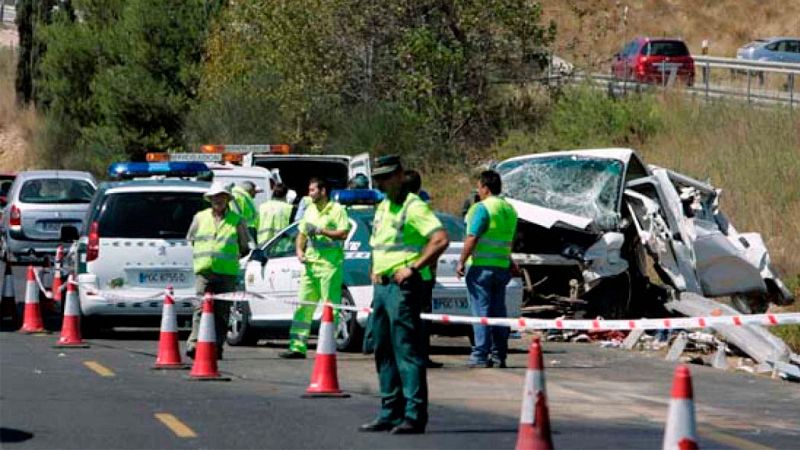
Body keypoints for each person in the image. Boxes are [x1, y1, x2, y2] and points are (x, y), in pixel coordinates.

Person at [359, 155, 449, 435]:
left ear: (399, 175)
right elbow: (379, 244)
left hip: (403, 288)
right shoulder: (384, 206)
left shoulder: (413, 206)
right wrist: (375, 269)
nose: (382, 184)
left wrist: (413, 267)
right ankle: (389, 411)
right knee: (383, 349)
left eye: (386, 178)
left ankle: (413, 414)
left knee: (406, 351)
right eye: (379, 180)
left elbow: (440, 239)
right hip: (383, 287)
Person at [280, 177, 351, 359]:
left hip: (330, 266)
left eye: (312, 190)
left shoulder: (337, 210)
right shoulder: (310, 209)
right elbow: (302, 233)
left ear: (323, 191)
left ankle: (326, 346)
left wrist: (321, 231)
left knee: (329, 308)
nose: (309, 193)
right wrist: (298, 250)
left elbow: (343, 233)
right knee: (303, 306)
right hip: (311, 265)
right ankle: (297, 347)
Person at [456, 170, 518, 368]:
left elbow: (472, 237)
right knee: (499, 312)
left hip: (481, 269)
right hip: (501, 268)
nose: (478, 190)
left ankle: (480, 355)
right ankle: (500, 355)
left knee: (481, 312)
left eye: (479, 187)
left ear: (485, 188)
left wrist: (461, 261)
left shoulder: (482, 208)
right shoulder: (509, 210)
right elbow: (507, 240)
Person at [186, 182, 251, 360]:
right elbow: (191, 239)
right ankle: (194, 344)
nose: (218, 200)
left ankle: (217, 347)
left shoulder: (237, 220)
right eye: (215, 197)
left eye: (221, 197)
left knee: (222, 313)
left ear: (227, 199)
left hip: (226, 274)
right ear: (210, 199)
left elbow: (244, 246)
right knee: (199, 308)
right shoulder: (200, 217)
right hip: (204, 271)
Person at [403, 169, 442, 369]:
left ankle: (410, 356)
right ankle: (421, 356)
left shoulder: (399, 207)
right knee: (422, 319)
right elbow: (435, 241)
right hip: (421, 273)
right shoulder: (420, 209)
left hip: (403, 273)